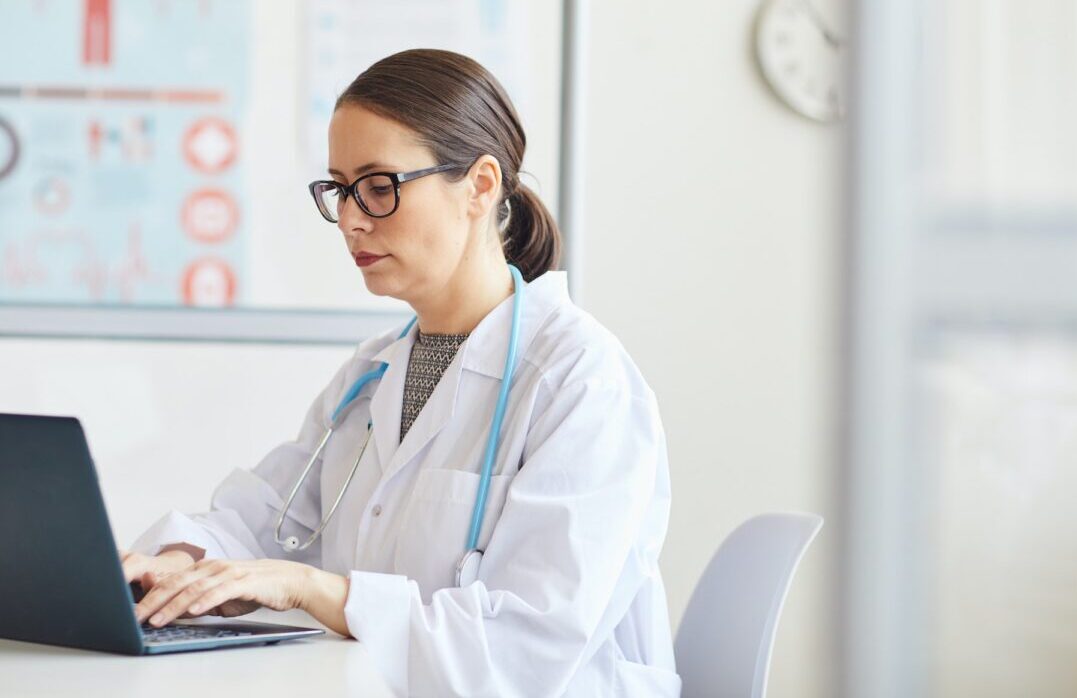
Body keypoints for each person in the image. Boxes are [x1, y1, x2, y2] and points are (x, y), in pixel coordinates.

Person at [120, 48, 680, 696]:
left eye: (379, 186)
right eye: (339, 188)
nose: (352, 218)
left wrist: (312, 589)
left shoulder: (582, 383)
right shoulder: (373, 372)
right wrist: (175, 566)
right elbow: (263, 520)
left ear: (480, 185)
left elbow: (521, 650)